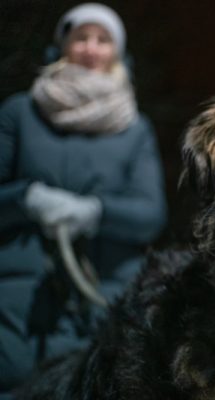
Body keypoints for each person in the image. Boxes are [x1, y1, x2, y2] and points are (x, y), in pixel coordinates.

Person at [0, 3, 167, 393]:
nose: (91, 48)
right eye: (81, 38)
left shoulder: (134, 128)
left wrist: (95, 212)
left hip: (101, 300)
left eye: (103, 40)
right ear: (62, 46)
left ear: (117, 53)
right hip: (17, 301)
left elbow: (150, 213)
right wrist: (26, 198)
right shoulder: (20, 113)